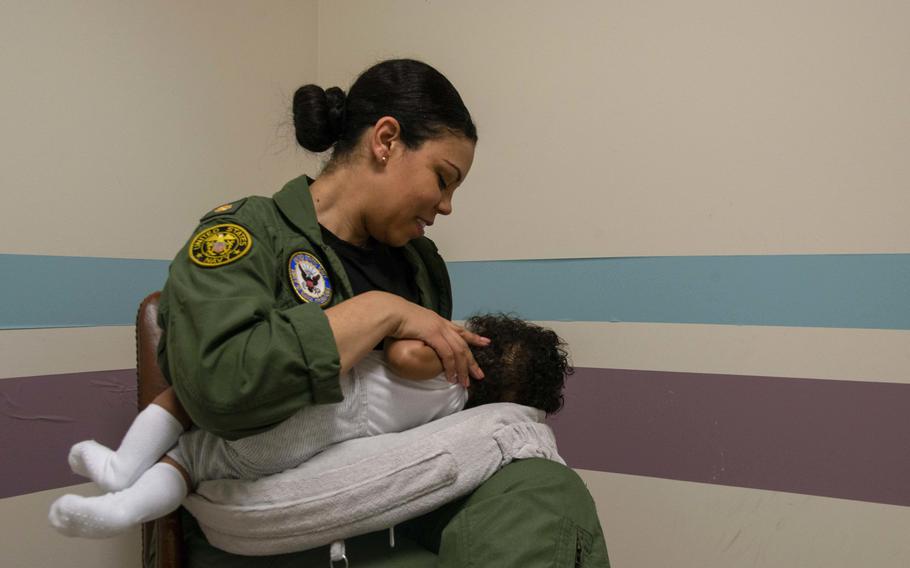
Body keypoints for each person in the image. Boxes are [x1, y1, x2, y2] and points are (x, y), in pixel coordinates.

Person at [57, 59, 610, 565]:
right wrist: (378, 312)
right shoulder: (248, 235)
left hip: (386, 509)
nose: (446, 205)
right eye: (443, 178)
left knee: (547, 490)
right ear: (386, 140)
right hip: (271, 517)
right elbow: (218, 386)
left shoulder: (421, 266)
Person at [48, 314, 572, 538]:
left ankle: (121, 469)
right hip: (307, 444)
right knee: (192, 463)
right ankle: (117, 511)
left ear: (481, 345)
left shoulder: (441, 368)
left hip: (307, 400)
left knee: (186, 397)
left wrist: (427, 326)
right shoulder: (458, 412)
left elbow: (402, 351)